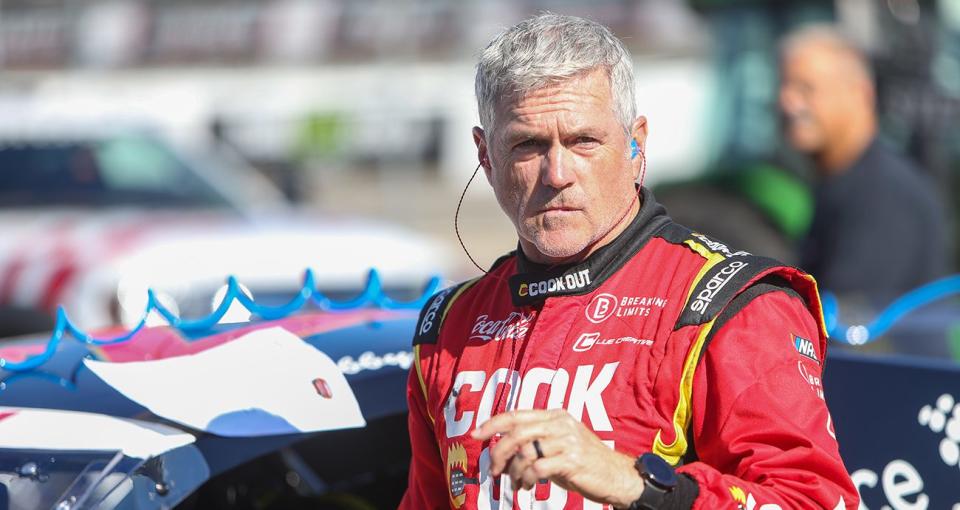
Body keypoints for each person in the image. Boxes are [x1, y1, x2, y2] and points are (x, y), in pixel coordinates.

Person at [401, 14, 858, 509]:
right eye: (527, 145)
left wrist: (635, 484)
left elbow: (815, 501)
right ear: (485, 156)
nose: (557, 174)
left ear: (635, 143)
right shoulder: (449, 327)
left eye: (583, 142)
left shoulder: (731, 305)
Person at [779, 25, 948, 304]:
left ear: (860, 93)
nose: (787, 102)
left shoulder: (883, 194)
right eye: (784, 87)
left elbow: (850, 328)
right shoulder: (839, 183)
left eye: (805, 88)